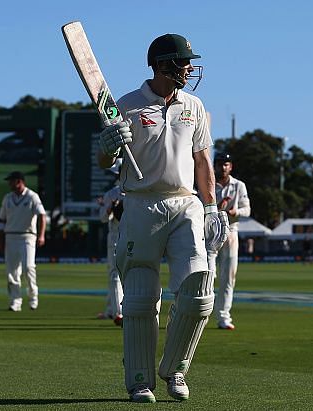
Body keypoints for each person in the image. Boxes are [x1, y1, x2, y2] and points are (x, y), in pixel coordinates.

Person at [96, 33, 228, 403]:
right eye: (183, 62)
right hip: (140, 204)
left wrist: (211, 206)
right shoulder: (126, 105)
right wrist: (107, 147)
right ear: (162, 64)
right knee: (139, 297)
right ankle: (140, 380)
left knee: (200, 290)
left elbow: (202, 160)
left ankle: (175, 370)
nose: (189, 68)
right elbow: (105, 160)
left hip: (185, 204)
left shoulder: (195, 106)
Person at [209, 153, 251, 330]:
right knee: (208, 274)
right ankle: (202, 312)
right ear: (215, 166)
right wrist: (216, 209)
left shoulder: (238, 185)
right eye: (219, 165)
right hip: (211, 230)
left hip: (231, 231)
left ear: (230, 167)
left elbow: (247, 210)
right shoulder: (208, 182)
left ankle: (224, 317)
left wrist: (235, 212)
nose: (223, 168)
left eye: (226, 165)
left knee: (228, 278)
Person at [0, 171, 46, 312]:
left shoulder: (32, 196)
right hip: (10, 236)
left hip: (27, 236)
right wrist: (0, 240)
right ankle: (15, 301)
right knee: (12, 272)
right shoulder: (7, 198)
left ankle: (33, 297)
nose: (9, 184)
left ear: (19, 181)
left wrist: (41, 235)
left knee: (28, 267)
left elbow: (42, 215)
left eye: (11, 181)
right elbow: (1, 221)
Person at [97, 160, 125, 326]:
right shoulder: (112, 193)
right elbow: (102, 218)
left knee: (127, 275)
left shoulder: (139, 192)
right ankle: (118, 313)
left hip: (134, 236)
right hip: (115, 237)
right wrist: (109, 208)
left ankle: (111, 309)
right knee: (114, 274)